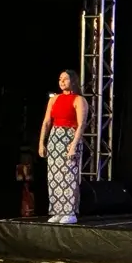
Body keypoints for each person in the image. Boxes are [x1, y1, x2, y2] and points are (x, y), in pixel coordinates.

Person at [38, 70, 87, 224]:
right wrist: (41, 143)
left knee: (68, 176)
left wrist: (73, 145)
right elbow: (47, 122)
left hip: (70, 138)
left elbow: (81, 124)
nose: (62, 81)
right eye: (60, 79)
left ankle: (69, 212)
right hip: (55, 139)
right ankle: (58, 211)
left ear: (73, 81)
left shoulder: (79, 100)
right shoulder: (54, 99)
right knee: (54, 176)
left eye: (65, 79)